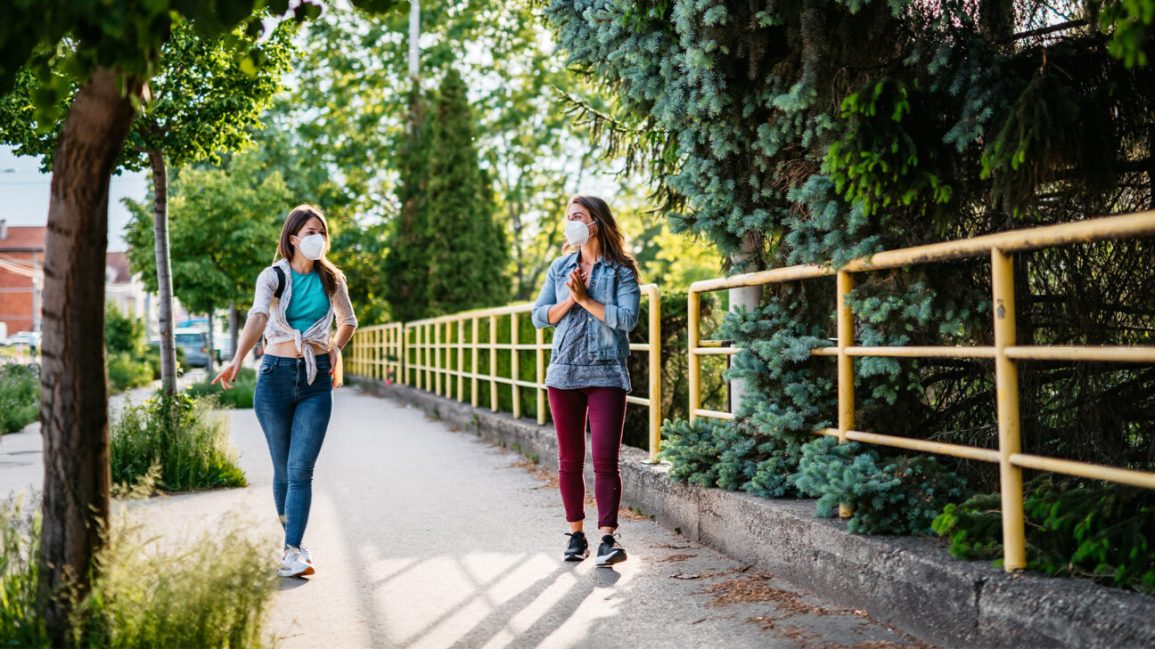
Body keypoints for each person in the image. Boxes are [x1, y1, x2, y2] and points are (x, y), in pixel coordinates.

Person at [212, 204, 357, 578]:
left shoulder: (332, 280)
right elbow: (258, 315)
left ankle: (293, 549)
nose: (318, 239)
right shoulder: (272, 276)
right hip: (275, 375)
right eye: (310, 232)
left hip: (316, 379)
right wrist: (237, 358)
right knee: (282, 471)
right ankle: (292, 543)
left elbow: (348, 321)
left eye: (321, 232)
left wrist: (335, 348)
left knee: (300, 470)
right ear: (293, 238)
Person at [531, 195, 641, 568]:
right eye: (568, 217)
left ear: (596, 222)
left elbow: (627, 320)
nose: (571, 223)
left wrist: (584, 298)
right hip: (563, 373)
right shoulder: (560, 266)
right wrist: (569, 301)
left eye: (577, 216)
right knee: (569, 459)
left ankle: (608, 538)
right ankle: (576, 535)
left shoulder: (621, 270)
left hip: (607, 372)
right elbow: (539, 315)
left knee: (606, 459)